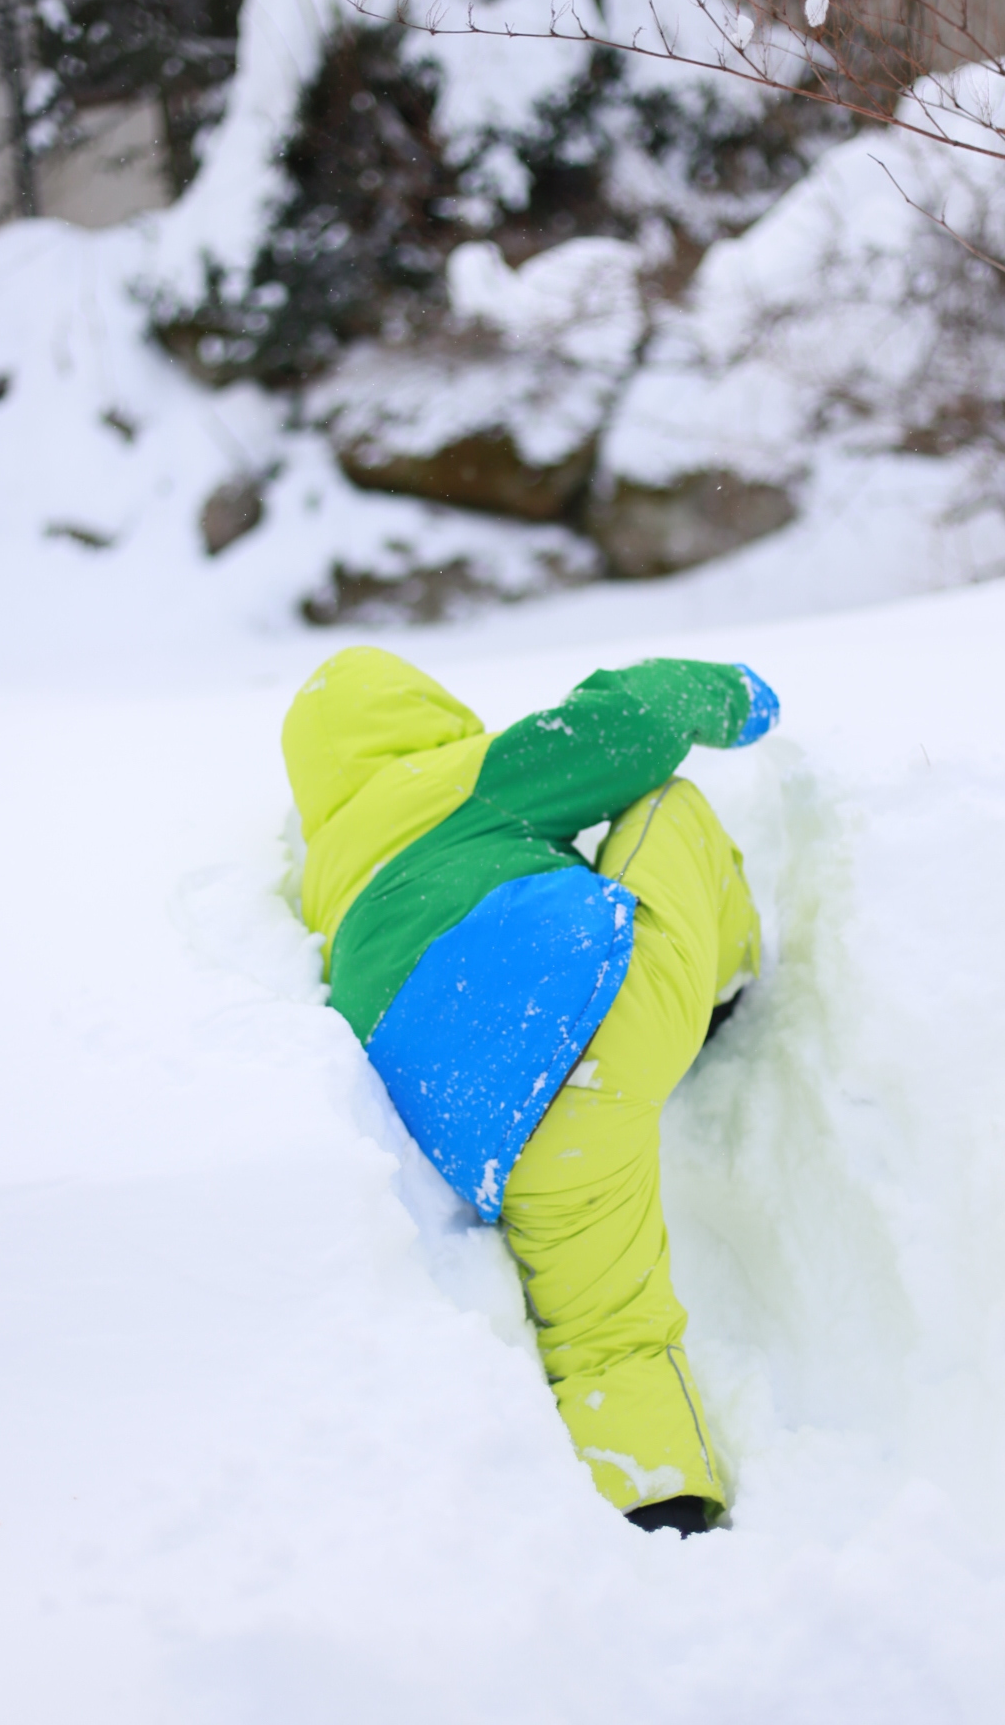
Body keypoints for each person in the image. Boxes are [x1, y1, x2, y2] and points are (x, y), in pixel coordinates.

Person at [282, 647, 779, 1536]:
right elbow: (628, 722)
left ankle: (656, 1496)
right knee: (668, 806)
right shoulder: (461, 776)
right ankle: (727, 979)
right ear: (422, 711)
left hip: (505, 1136)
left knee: (605, 1323)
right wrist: (733, 697)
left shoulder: (323, 896)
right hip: (604, 1013)